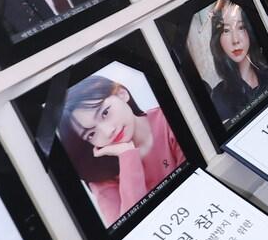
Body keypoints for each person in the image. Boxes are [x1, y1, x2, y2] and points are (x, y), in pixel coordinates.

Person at [57, 74, 185, 226]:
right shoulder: (100, 177)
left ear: (121, 94)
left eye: (105, 113)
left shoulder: (168, 119)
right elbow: (130, 229)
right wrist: (128, 157)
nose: (108, 131)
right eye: (91, 134)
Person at [186, 0, 268, 128]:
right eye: (226, 30)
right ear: (218, 38)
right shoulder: (219, 98)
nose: (235, 40)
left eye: (241, 27)